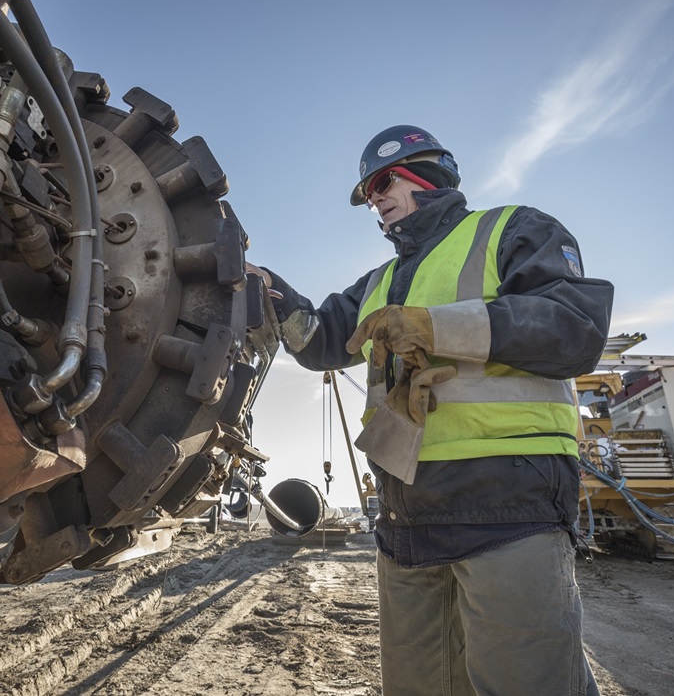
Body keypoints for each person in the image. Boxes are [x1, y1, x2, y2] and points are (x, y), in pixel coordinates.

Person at [248, 125, 614, 696]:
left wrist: (436, 326)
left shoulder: (511, 230)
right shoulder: (379, 282)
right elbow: (320, 341)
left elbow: (574, 329)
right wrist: (270, 293)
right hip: (407, 518)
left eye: (382, 181)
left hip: (508, 501)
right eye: (367, 192)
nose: (373, 197)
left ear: (428, 173)